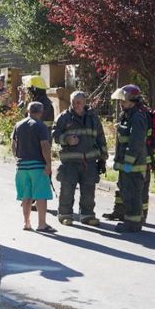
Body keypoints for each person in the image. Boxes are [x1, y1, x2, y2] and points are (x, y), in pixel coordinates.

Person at [52, 91, 107, 226]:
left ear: (84, 102)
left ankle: (87, 215)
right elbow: (55, 135)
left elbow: (100, 137)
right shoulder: (63, 118)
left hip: (89, 162)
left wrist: (103, 157)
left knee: (88, 190)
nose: (76, 105)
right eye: (73, 102)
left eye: (79, 102)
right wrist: (66, 139)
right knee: (67, 190)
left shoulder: (93, 118)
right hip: (70, 163)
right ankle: (65, 215)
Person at [105, 85, 150, 233]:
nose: (120, 104)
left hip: (133, 165)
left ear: (131, 100)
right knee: (126, 192)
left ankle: (133, 224)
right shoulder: (128, 115)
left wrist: (128, 163)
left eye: (123, 101)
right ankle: (129, 220)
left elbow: (135, 143)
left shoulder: (137, 117)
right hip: (126, 165)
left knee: (133, 194)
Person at [12, 102, 55, 233]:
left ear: (28, 110)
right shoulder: (40, 126)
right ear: (41, 113)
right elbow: (44, 146)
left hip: (22, 166)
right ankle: (42, 224)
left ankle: (26, 223)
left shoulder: (18, 125)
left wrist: (17, 158)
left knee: (26, 196)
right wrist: (48, 164)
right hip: (37, 166)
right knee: (41, 195)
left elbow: (13, 144)